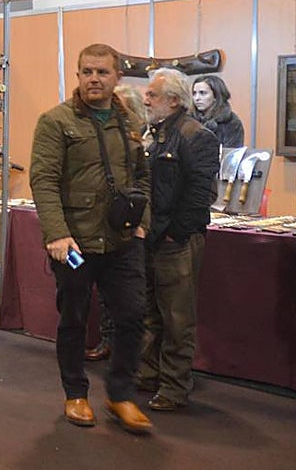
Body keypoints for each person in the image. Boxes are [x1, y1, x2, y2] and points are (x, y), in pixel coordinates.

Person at [30, 43, 153, 434]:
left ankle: (120, 395)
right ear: (78, 75)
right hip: (74, 244)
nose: (93, 79)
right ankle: (75, 393)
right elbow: (44, 181)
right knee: (74, 317)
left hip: (121, 241)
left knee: (133, 315)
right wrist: (57, 233)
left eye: (101, 72)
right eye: (86, 72)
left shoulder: (128, 121)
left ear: (117, 76)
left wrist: (142, 221)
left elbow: (143, 177)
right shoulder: (55, 121)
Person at [139, 68, 219, 411]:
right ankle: (148, 375)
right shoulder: (153, 134)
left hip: (176, 241)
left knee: (176, 318)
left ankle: (173, 387)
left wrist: (175, 234)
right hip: (152, 238)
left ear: (173, 100)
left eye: (152, 95)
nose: (145, 98)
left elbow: (200, 194)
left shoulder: (196, 136)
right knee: (150, 313)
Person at [86, 83, 148, 363]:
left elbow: (144, 184)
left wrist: (143, 224)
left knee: (129, 299)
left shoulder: (141, 143)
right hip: (107, 224)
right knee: (106, 294)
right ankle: (108, 339)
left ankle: (128, 355)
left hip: (132, 226)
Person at [191, 74, 245, 148]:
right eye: (194, 93)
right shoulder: (189, 120)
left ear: (216, 96)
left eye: (202, 93)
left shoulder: (231, 122)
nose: (197, 98)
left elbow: (231, 154)